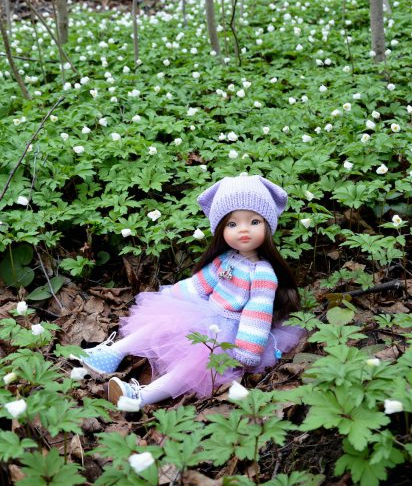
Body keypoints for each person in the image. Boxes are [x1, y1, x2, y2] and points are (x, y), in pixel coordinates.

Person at [78, 175, 306, 410]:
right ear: (221, 230)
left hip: (229, 334)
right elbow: (199, 285)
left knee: (194, 365)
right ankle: (111, 354)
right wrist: (172, 297)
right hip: (204, 314)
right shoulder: (224, 259)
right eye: (232, 224)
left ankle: (139, 396)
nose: (244, 230)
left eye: (254, 222)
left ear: (268, 226)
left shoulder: (263, 273)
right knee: (162, 321)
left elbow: (258, 311)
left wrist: (248, 348)